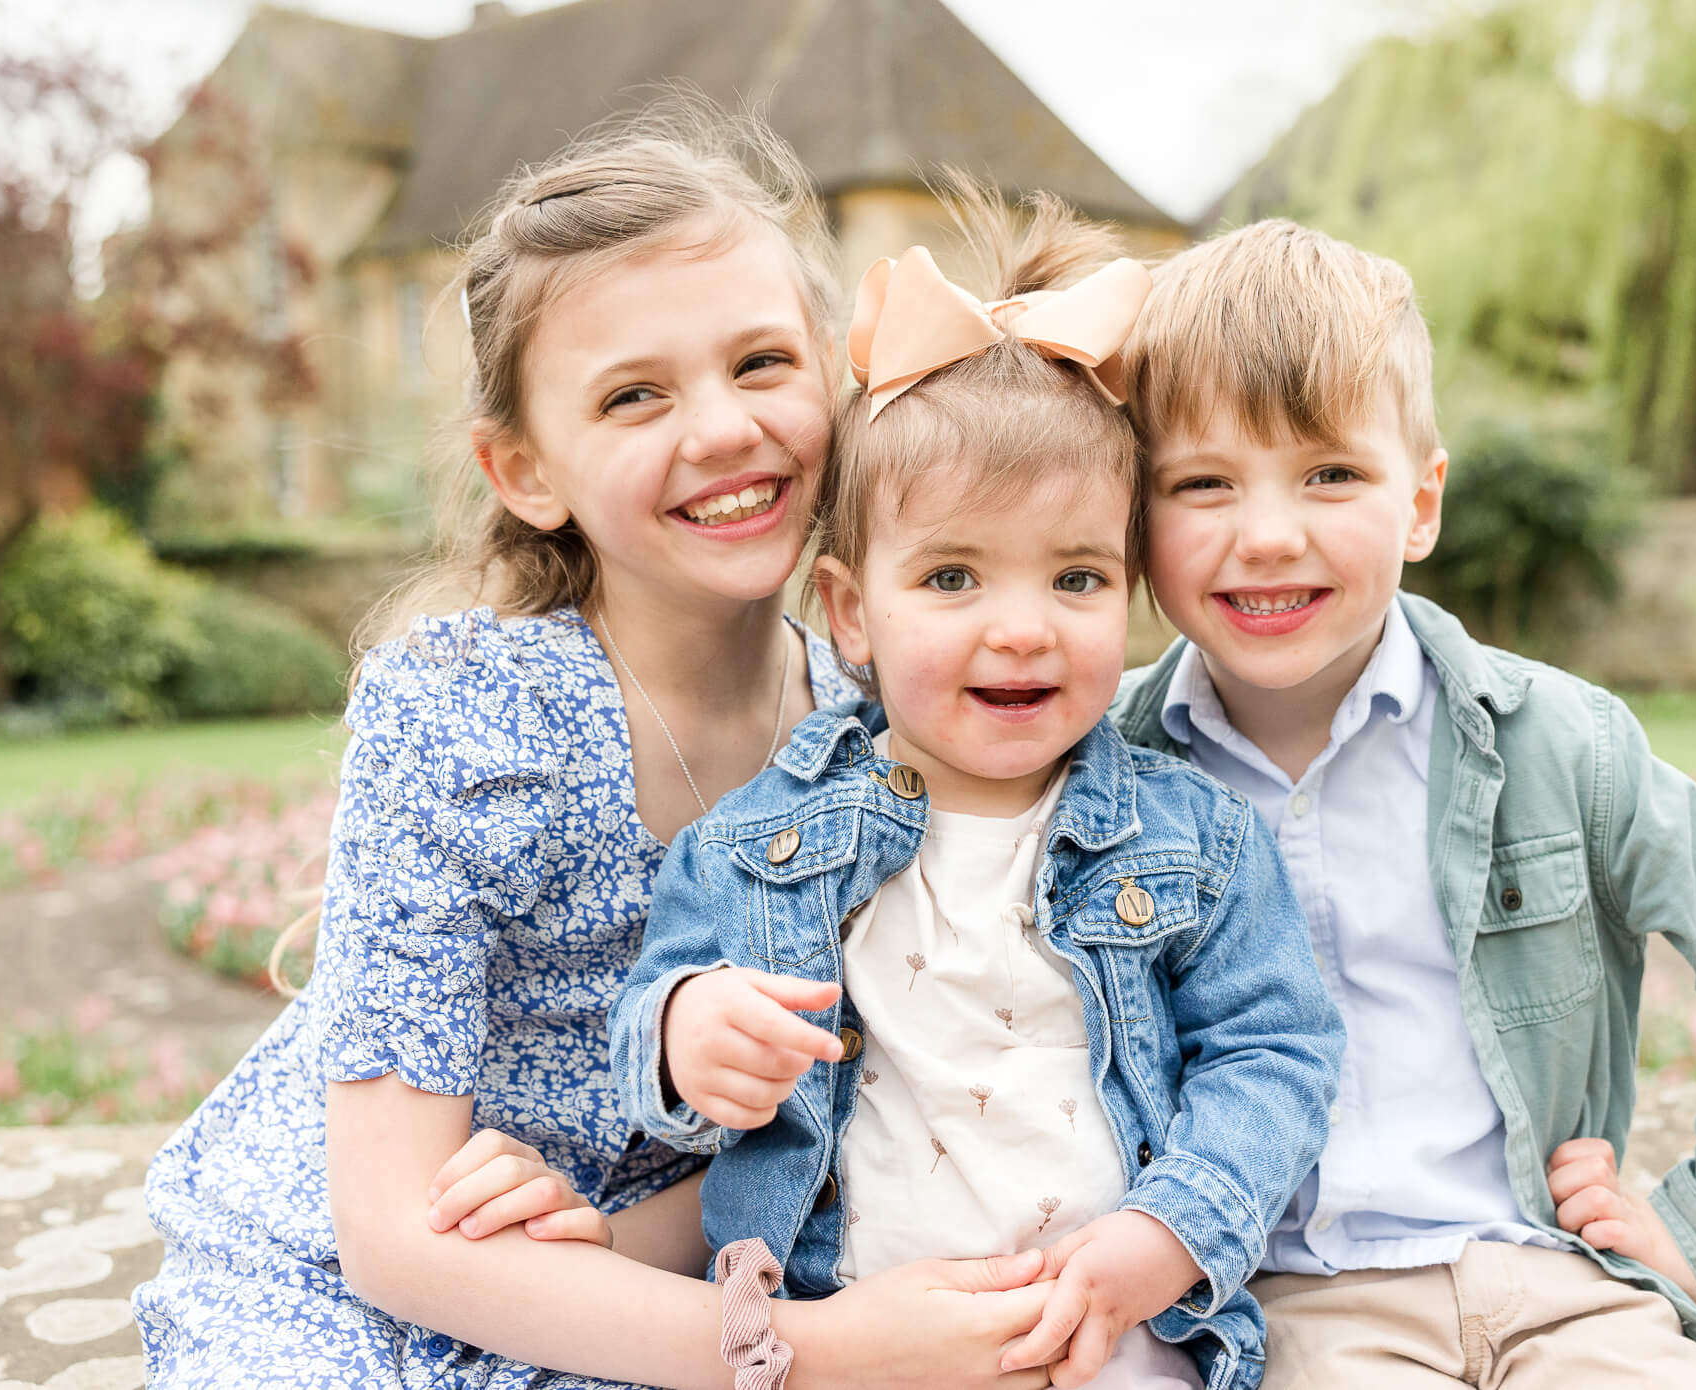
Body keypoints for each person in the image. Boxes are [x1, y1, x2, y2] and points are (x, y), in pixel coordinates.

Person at [131, 109, 1080, 1390]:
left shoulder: (885, 715)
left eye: (760, 363)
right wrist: (810, 1349)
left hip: (681, 1262)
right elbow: (395, 1237)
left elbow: (857, 1102)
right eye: (635, 395)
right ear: (524, 467)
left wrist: (630, 1245)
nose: (722, 429)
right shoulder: (463, 716)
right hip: (400, 1259)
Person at [1106, 218, 1696, 1390]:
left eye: (1331, 473)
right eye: (1203, 483)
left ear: (1420, 502)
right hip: (1307, 1304)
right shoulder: (1101, 777)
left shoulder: (1555, 744)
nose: (1268, 535)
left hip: (1559, 1278)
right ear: (1137, 522)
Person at [609, 191, 1342, 1390]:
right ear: (851, 611)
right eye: (952, 576)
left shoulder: (1193, 840)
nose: (1020, 631)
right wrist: (688, 1032)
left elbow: (1275, 1049)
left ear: (1131, 594)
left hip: (1110, 1337)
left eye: (1075, 577)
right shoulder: (757, 844)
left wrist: (1165, 1239)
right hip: (856, 1326)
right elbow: (653, 1020)